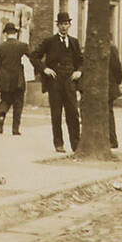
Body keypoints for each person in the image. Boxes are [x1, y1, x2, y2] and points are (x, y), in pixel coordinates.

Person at [31, 11, 83, 153]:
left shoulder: (74, 42)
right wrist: (45, 69)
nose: (63, 27)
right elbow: (34, 56)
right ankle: (58, 143)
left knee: (73, 113)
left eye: (66, 24)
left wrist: (79, 71)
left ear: (69, 25)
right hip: (55, 82)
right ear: (57, 26)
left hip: (70, 82)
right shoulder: (50, 41)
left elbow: (80, 60)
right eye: (61, 24)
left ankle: (76, 144)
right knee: (56, 113)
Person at [0, 22, 32, 135]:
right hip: (18, 80)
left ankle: (1, 116)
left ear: (6, 33)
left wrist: (1, 76)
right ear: (15, 33)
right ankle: (15, 129)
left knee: (5, 101)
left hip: (4, 79)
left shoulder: (0, 47)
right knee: (18, 103)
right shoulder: (22, 46)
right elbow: (33, 57)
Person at [108, 43, 122, 149]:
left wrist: (117, 81)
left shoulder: (111, 48)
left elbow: (117, 67)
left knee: (108, 112)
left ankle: (112, 140)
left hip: (109, 85)